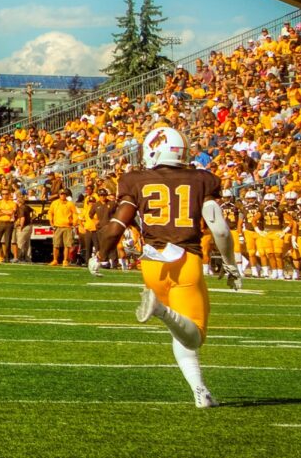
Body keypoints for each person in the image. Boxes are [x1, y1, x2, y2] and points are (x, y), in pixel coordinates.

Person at [94, 125, 236, 408]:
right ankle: (160, 311)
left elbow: (116, 226)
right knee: (194, 336)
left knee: (180, 333)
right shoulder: (201, 179)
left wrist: (99, 255)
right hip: (186, 261)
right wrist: (230, 263)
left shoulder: (135, 180)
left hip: (151, 265)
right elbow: (219, 229)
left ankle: (200, 391)